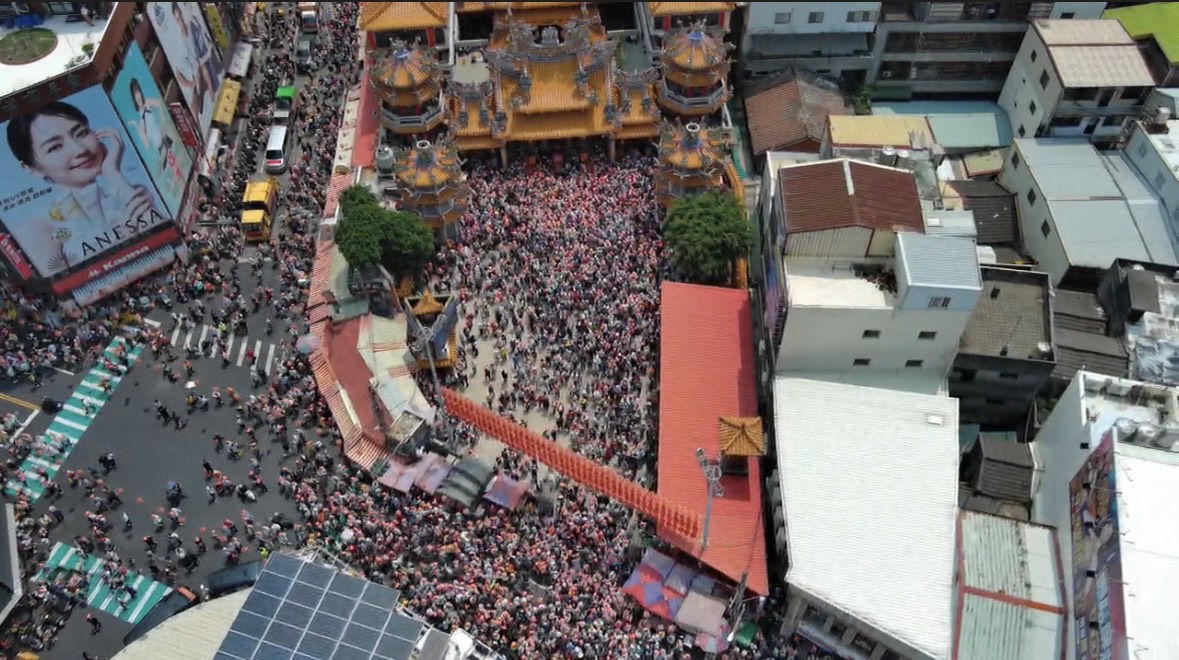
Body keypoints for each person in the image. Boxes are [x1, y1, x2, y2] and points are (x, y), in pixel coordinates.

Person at [5, 101, 160, 273]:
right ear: (30, 168)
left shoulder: (128, 190)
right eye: (55, 147)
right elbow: (64, 285)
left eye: (81, 133)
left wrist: (113, 174)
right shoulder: (36, 228)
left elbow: (165, 239)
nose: (79, 149)